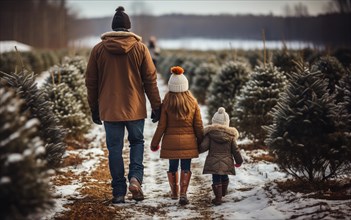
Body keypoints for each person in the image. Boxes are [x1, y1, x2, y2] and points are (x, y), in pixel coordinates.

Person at [85, 6, 161, 204]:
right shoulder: (141, 48)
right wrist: (156, 105)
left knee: (115, 149)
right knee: (137, 142)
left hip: (110, 110)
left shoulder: (98, 49)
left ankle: (119, 191)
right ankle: (135, 179)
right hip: (135, 108)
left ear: (113, 27)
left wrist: (94, 107)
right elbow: (150, 79)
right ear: (128, 27)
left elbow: (91, 81)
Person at [150, 66, 204, 205]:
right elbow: (198, 125)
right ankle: (183, 194)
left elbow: (161, 125)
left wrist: (154, 143)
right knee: (186, 167)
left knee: (173, 167)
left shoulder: (167, 102)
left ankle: (174, 192)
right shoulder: (193, 102)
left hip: (171, 142)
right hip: (189, 142)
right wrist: (201, 141)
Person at [199, 107, 243, 205]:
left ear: (214, 121)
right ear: (227, 122)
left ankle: (218, 198)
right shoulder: (231, 136)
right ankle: (223, 192)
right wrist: (239, 161)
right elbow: (235, 150)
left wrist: (196, 150)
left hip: (213, 160)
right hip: (226, 161)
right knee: (224, 175)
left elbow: (203, 146)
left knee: (216, 177)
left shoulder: (210, 134)